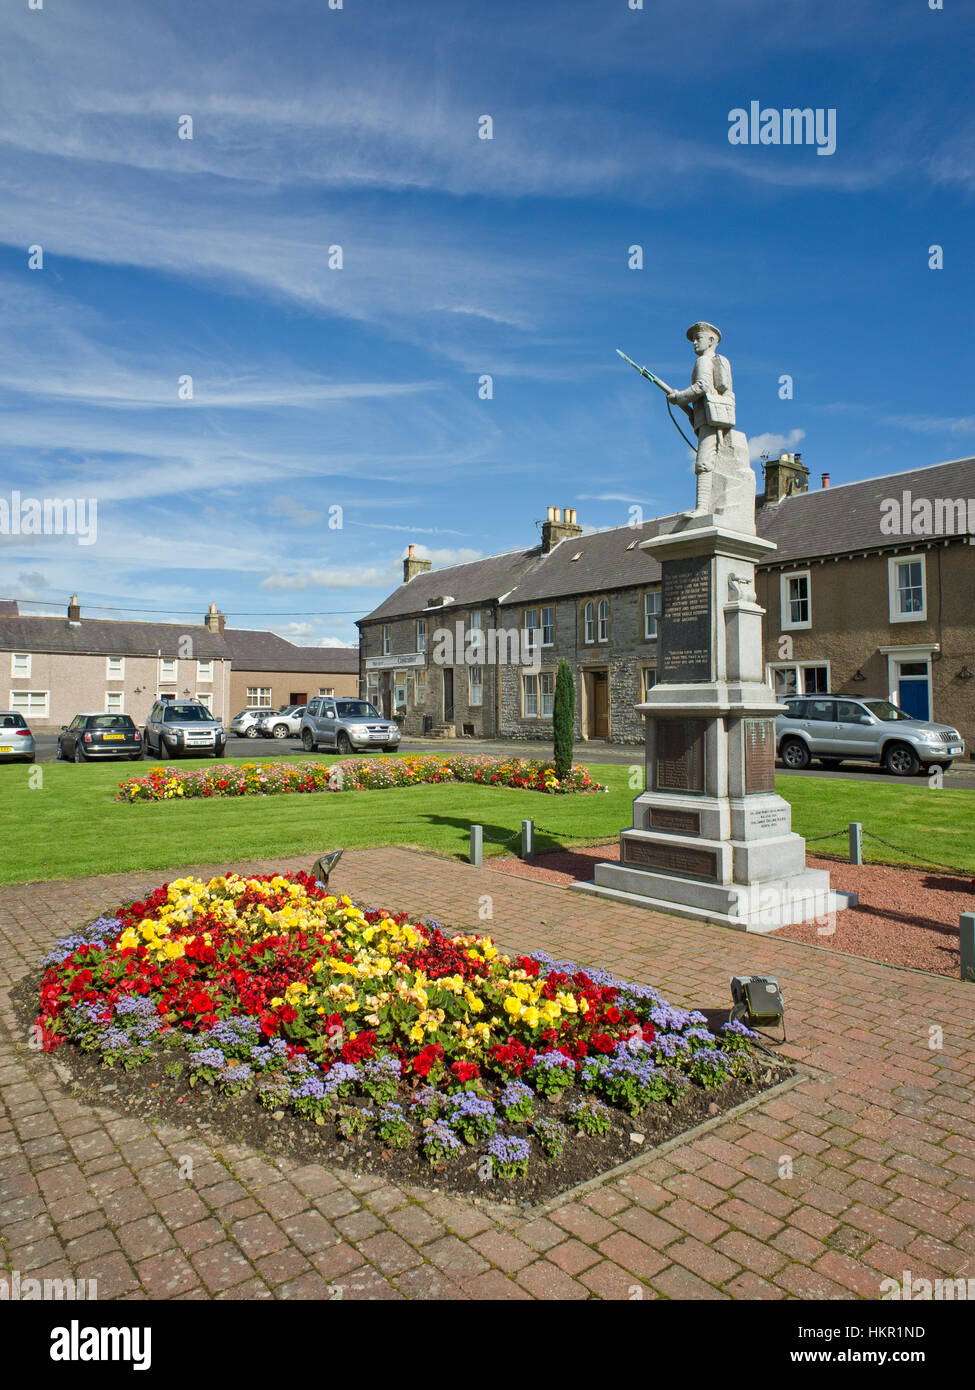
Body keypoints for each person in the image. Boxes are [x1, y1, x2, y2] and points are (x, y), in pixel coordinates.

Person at [667, 321, 736, 515]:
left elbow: (702, 386)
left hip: (708, 419)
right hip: (713, 416)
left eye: (698, 338)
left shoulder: (703, 361)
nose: (694, 343)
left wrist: (679, 397)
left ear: (711, 340)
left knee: (703, 462)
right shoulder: (714, 361)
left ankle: (702, 508)